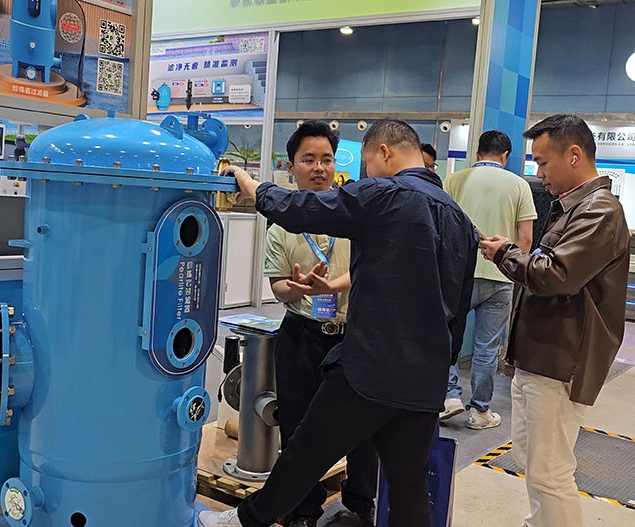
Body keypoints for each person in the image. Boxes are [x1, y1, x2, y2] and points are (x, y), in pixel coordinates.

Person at [201, 119, 477, 527]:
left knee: (304, 453)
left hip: (370, 367)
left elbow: (303, 210)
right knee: (408, 485)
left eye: (366, 163)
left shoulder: (386, 195)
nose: (367, 172)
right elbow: (460, 304)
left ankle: (244, 521)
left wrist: (253, 186)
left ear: (384, 152)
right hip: (424, 377)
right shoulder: (459, 218)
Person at [479, 114, 629, 527]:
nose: (539, 173)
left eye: (543, 162)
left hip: (561, 361)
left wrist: (505, 253)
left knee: (550, 471)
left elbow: (556, 276)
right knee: (532, 459)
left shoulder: (600, 211)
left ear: (574, 155)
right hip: (540, 357)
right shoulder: (572, 208)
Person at [263, 121, 377, 527]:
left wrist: (331, 286)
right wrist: (295, 289)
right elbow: (278, 286)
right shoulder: (281, 225)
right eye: (308, 159)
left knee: (363, 428)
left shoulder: (355, 215)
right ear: (290, 166)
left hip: (353, 335)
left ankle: (360, 505)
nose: (319, 168)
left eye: (326, 159)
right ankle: (305, 510)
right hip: (302, 336)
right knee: (298, 427)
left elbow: (368, 271)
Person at [440, 130, 537, 429]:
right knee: (487, 347)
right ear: (505, 155)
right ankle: (480, 411)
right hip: (500, 276)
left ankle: (448, 397)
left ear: (477, 152)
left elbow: (441, 226)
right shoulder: (519, 185)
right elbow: (525, 239)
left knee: (447, 337)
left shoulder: (454, 180)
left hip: (458, 276)